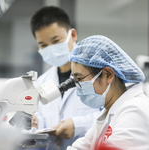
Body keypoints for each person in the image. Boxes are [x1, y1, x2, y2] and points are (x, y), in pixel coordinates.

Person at [67, 35, 149, 150]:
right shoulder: (109, 112)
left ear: (108, 75)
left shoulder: (134, 112)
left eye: (80, 79)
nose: (77, 86)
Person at [30, 6, 101, 150]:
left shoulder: (97, 75)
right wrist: (36, 122)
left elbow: (114, 117)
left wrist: (78, 125)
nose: (51, 48)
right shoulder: (42, 81)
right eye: (43, 45)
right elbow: (45, 117)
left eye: (56, 41)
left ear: (73, 35)